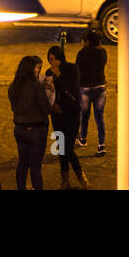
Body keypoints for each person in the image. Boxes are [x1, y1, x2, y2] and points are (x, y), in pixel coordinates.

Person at [45, 44, 88, 188]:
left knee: (68, 148)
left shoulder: (72, 69)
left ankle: (81, 177)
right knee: (61, 147)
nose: (52, 63)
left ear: (60, 58)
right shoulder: (48, 72)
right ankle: (65, 180)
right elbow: (49, 94)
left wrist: (58, 75)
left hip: (72, 112)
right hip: (57, 114)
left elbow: (73, 89)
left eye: (54, 59)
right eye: (50, 59)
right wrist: (52, 103)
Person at [8, 55, 52, 190]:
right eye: (37, 67)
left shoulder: (14, 86)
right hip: (36, 130)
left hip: (20, 129)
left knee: (22, 163)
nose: (38, 70)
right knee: (35, 166)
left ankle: (21, 187)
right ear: (30, 68)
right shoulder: (35, 86)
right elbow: (46, 108)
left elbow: (14, 107)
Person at [76, 29, 107, 155]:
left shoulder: (82, 53)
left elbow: (78, 69)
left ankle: (83, 138)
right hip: (100, 86)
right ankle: (101, 144)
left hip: (85, 87)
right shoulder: (102, 52)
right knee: (99, 117)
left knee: (85, 115)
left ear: (87, 41)